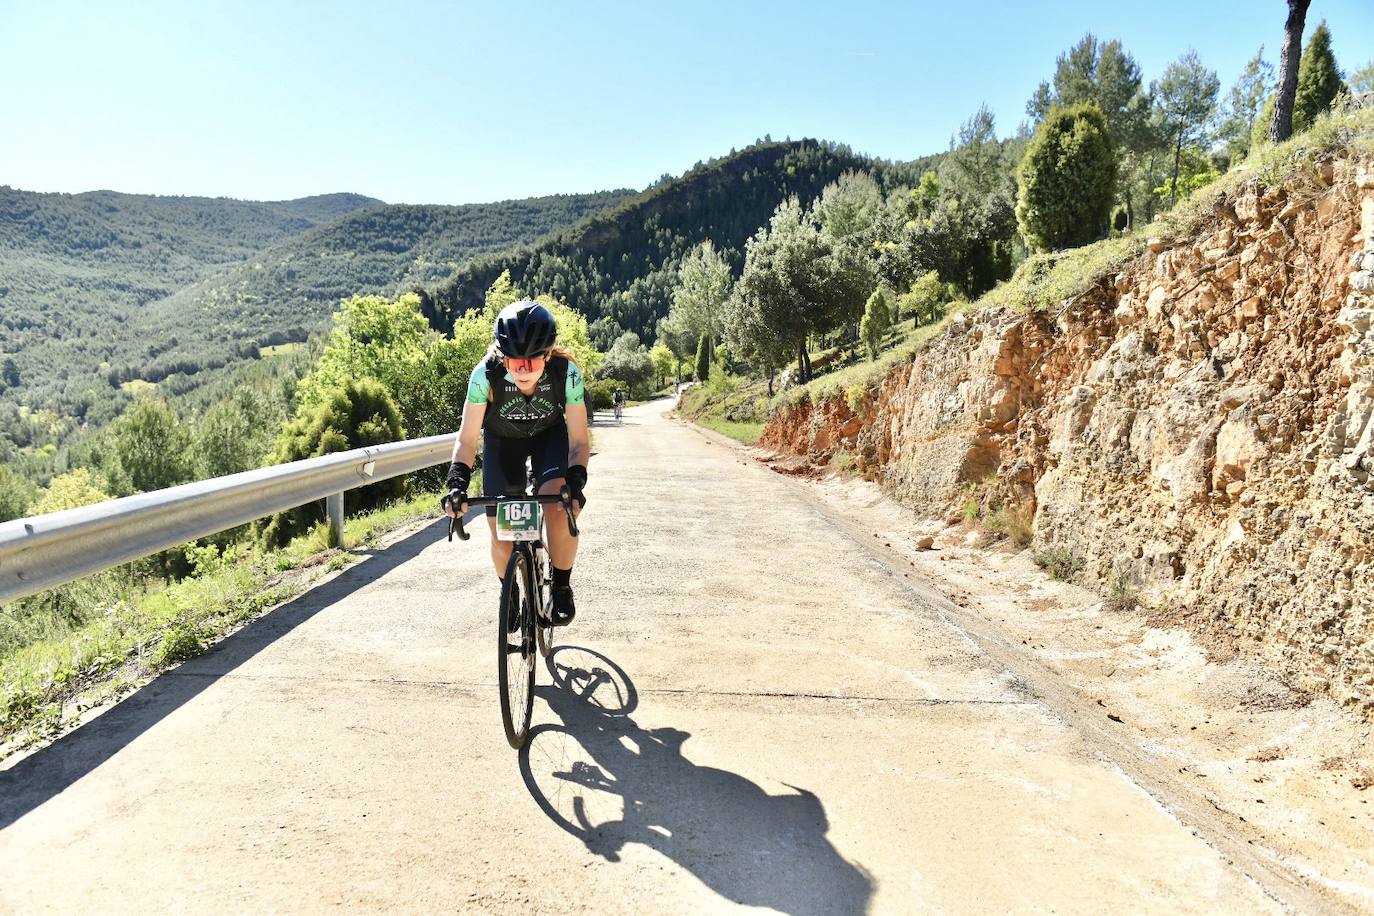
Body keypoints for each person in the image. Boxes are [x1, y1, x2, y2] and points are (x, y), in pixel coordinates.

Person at [442, 300, 589, 625]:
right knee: (500, 534)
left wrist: (576, 483)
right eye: (513, 360)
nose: (522, 369)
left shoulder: (567, 374)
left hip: (548, 438)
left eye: (532, 360)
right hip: (501, 443)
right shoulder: (485, 375)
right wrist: (457, 484)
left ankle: (562, 586)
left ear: (547, 354)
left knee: (558, 505)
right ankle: (508, 591)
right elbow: (467, 440)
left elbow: (578, 441)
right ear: (502, 355)